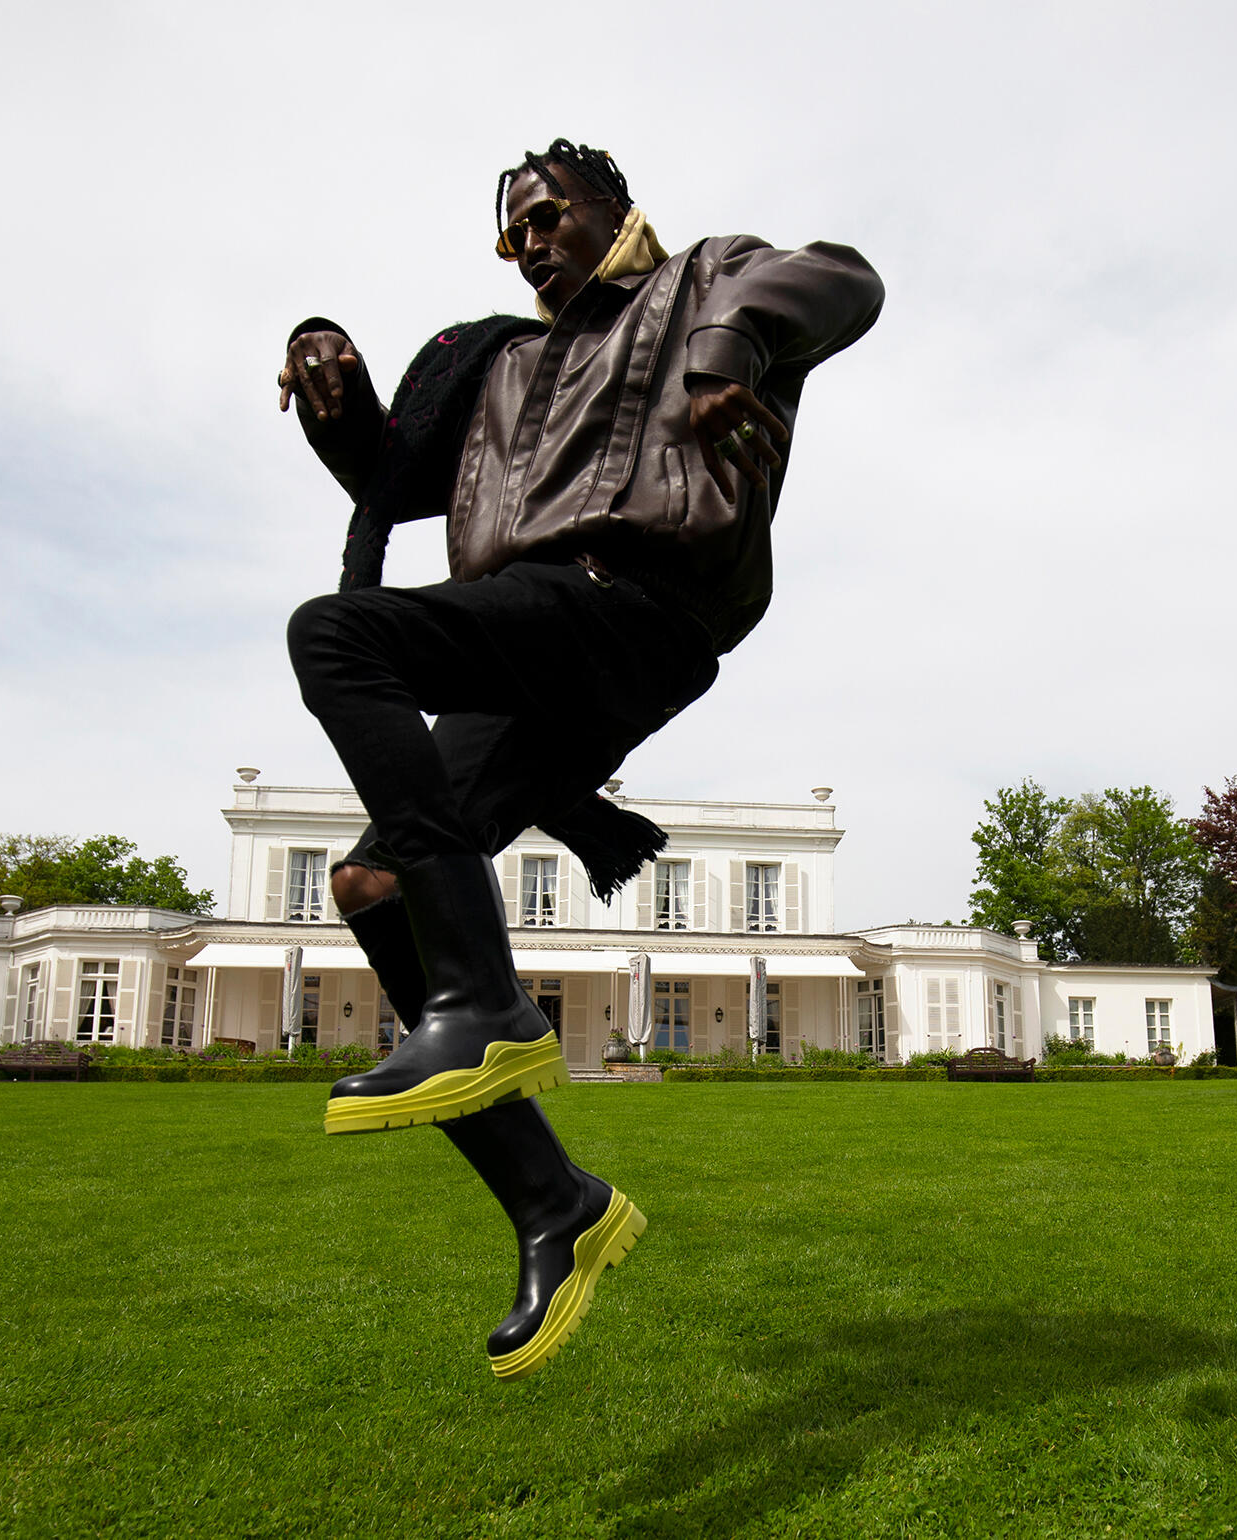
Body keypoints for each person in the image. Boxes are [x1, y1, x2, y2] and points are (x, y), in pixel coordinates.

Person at [277, 139, 881, 1379]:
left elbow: (845, 279)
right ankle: (556, 1202)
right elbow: (401, 481)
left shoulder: (699, 281)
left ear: (616, 209)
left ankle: (483, 1003)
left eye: (551, 215)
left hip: (632, 605)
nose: (533, 241)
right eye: (514, 234)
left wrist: (726, 352)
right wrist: (329, 372)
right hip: (527, 643)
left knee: (337, 637)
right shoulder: (503, 364)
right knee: (371, 886)